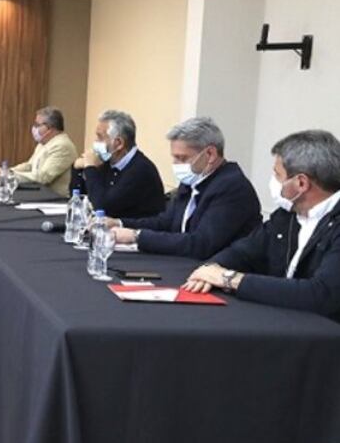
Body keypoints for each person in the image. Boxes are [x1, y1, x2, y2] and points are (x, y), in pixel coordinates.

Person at [183, 130, 340, 321]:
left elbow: (322, 295)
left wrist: (230, 279)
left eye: (277, 174)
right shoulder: (286, 215)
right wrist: (210, 269)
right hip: (283, 321)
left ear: (301, 183)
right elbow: (243, 252)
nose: (273, 181)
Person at [107, 117, 260, 259]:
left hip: (216, 273)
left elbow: (201, 244)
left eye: (182, 158)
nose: (176, 164)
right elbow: (165, 223)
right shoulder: (193, 179)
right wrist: (119, 223)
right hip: (183, 263)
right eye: (174, 157)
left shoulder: (232, 187)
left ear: (210, 154)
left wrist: (137, 236)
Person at [69, 109, 166, 218]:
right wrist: (77, 168)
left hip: (135, 231)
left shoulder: (140, 170)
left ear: (119, 143)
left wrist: (90, 167)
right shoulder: (107, 162)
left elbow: (102, 208)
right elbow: (77, 198)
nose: (95, 142)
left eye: (100, 137)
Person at [11, 106, 79, 196]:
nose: (34, 128)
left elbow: (43, 177)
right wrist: (8, 171)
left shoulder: (62, 146)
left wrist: (10, 176)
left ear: (50, 128)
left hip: (55, 200)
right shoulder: (44, 142)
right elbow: (29, 166)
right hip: (39, 194)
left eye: (37, 125)